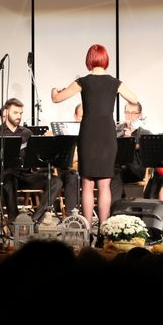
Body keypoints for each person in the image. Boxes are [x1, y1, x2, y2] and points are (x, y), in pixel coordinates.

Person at [51, 44, 138, 229]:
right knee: (105, 185)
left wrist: (54, 90)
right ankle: (104, 229)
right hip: (107, 134)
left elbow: (57, 98)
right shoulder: (115, 82)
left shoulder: (83, 81)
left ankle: (88, 229)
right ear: (105, 59)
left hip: (89, 134)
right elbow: (134, 100)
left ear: (89, 60)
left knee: (87, 183)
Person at [0, 98, 61, 223]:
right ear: (7, 112)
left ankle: (35, 219)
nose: (19, 116)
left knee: (56, 181)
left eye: (20, 113)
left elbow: (36, 157)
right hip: (7, 176)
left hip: (26, 175)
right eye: (15, 113)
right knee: (9, 178)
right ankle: (14, 220)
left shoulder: (27, 133)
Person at [111, 101, 152, 199]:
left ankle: (116, 206)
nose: (130, 116)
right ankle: (117, 204)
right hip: (115, 167)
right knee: (112, 172)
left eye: (134, 113)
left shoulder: (145, 134)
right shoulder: (115, 130)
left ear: (140, 115)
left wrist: (129, 139)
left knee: (115, 173)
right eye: (127, 112)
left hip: (135, 169)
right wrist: (124, 135)